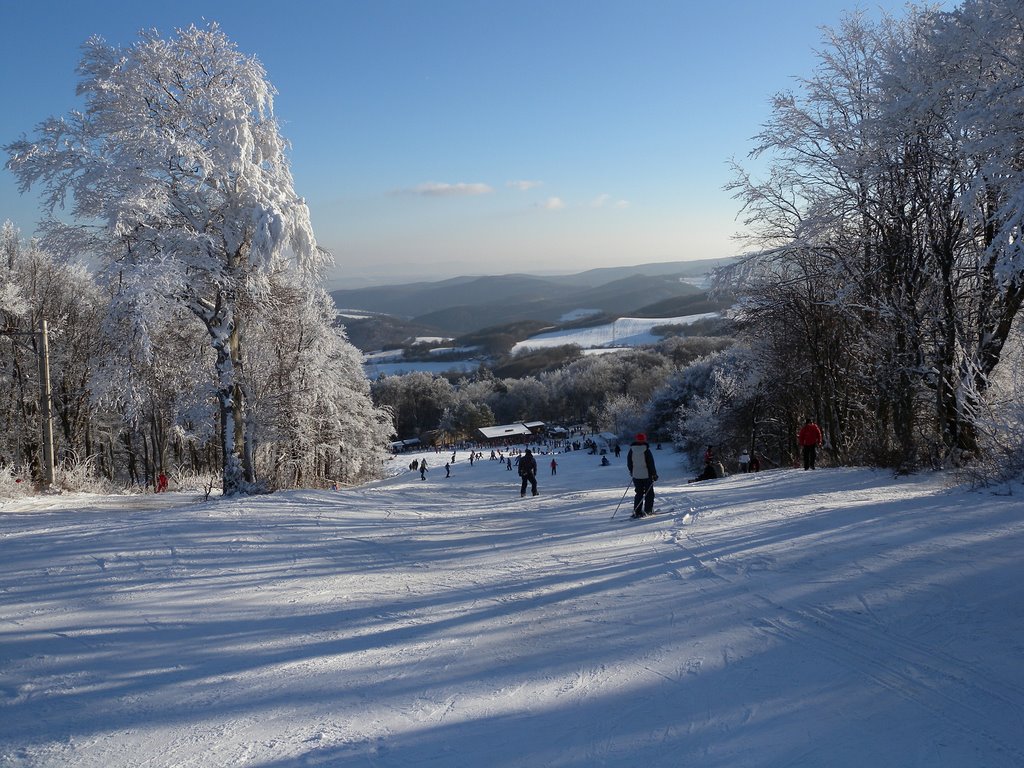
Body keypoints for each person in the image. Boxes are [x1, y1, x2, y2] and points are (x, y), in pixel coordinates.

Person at [627, 433, 658, 518]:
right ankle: (648, 510)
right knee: (649, 493)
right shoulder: (646, 450)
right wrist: (654, 474)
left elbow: (629, 463)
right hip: (646, 475)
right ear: (644, 440)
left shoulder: (631, 450)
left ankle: (637, 511)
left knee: (639, 493)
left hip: (636, 475)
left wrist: (632, 471)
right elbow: (650, 463)